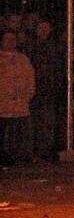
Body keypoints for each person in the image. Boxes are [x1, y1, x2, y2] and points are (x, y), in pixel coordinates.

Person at [26, 20, 63, 159]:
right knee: (34, 123)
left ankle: (46, 151)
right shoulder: (30, 46)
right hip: (34, 90)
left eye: (46, 28)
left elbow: (57, 67)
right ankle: (34, 151)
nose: (44, 31)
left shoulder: (54, 47)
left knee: (48, 123)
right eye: (41, 28)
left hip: (49, 91)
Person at [0, 28, 36, 164]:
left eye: (12, 40)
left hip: (19, 106)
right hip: (2, 105)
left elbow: (30, 80)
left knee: (18, 135)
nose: (10, 43)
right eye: (7, 40)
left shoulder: (23, 59)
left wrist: (26, 97)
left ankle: (18, 159)